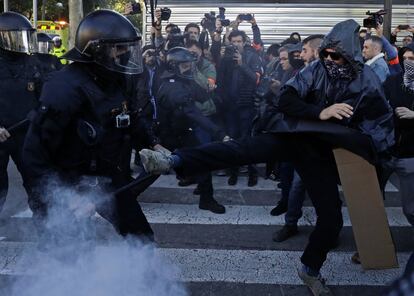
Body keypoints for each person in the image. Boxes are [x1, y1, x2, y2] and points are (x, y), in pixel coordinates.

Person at [140, 19, 394, 295]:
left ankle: (309, 270)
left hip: (321, 154)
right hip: (292, 136)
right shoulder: (315, 70)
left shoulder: (366, 80)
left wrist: (372, 160)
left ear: (352, 55)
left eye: (337, 55)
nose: (331, 60)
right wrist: (319, 112)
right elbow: (286, 99)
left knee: (331, 219)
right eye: (327, 54)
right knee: (239, 150)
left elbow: (380, 122)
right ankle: (174, 161)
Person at [23, 10, 161, 242]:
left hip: (107, 176)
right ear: (95, 49)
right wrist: (64, 199)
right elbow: (34, 155)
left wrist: (154, 145)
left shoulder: (117, 78)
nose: (125, 53)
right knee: (67, 251)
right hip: (68, 181)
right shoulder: (63, 89)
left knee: (141, 239)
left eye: (127, 47)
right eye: (118, 48)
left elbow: (130, 117)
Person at [156, 47, 226, 214]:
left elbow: (202, 95)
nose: (189, 69)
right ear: (174, 66)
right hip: (169, 136)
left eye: (190, 65)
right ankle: (127, 194)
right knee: (153, 168)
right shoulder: (172, 86)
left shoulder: (183, 81)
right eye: (185, 66)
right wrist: (220, 133)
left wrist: (214, 92)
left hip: (184, 132)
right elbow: (192, 112)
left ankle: (206, 199)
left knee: (203, 162)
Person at [272, 34, 325, 242]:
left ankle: (328, 229)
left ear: (316, 51)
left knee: (324, 191)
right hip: (302, 138)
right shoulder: (305, 72)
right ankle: (291, 224)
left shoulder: (327, 74)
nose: (300, 55)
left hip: (322, 141)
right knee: (296, 185)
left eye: (304, 50)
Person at [0, 12, 46, 213]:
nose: (20, 42)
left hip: (26, 134)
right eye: (15, 36)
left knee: (36, 183)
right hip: (1, 134)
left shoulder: (32, 62)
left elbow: (44, 95)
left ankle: (47, 233)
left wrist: (41, 113)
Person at [382, 42, 414, 226]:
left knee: (410, 209)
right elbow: (377, 102)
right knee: (370, 200)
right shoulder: (393, 81)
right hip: (387, 149)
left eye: (412, 59)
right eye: (405, 59)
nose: (408, 62)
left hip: (410, 155)